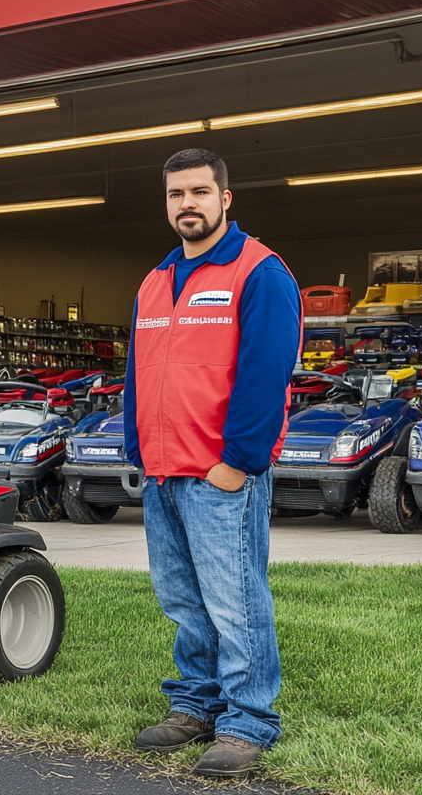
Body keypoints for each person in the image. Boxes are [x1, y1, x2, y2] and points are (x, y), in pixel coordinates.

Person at [123, 148, 301, 778]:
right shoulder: (155, 280)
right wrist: (138, 452)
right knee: (183, 599)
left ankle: (249, 719)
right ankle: (195, 704)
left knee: (235, 599)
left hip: (221, 473)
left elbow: (267, 374)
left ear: (227, 198)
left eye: (200, 192)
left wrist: (239, 462)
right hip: (164, 472)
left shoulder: (260, 273)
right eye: (176, 194)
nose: (187, 204)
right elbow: (138, 376)